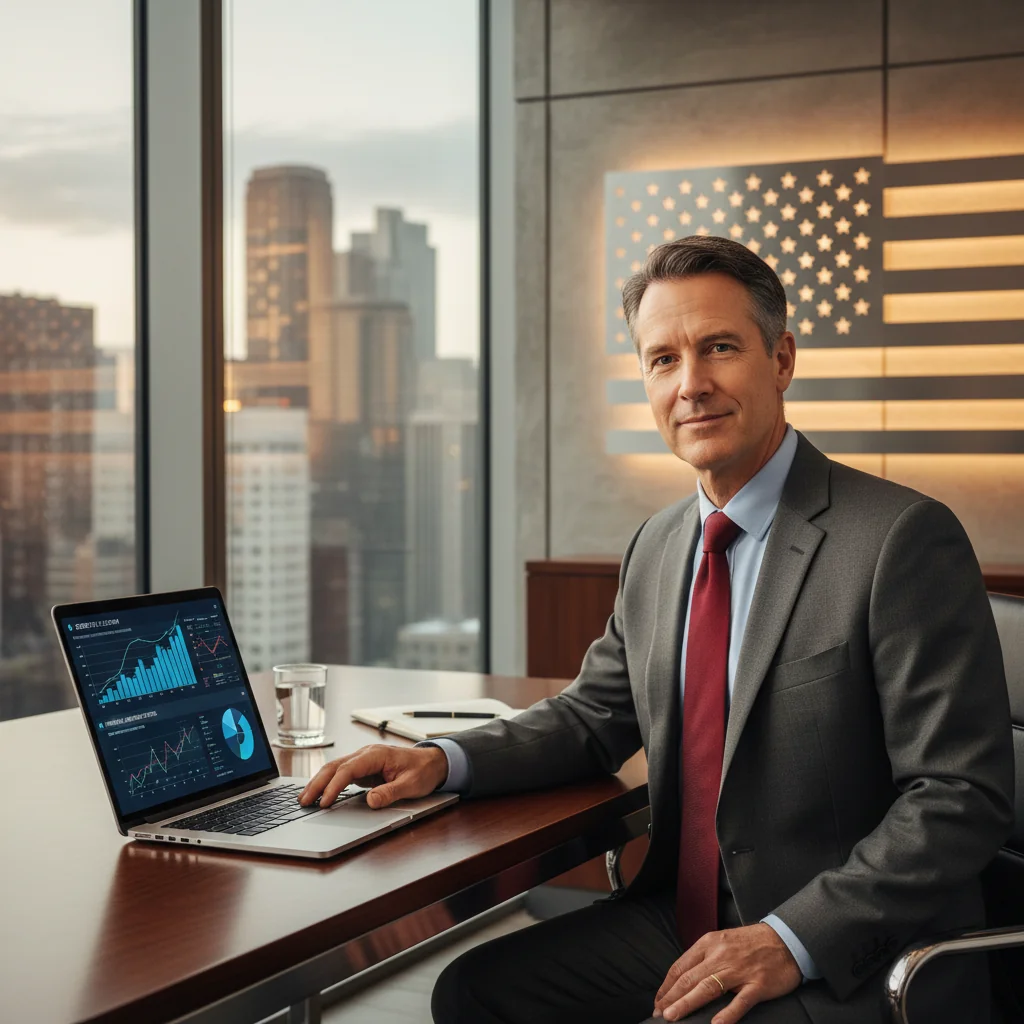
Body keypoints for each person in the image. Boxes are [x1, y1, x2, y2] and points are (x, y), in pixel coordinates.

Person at [299, 236, 1014, 1024]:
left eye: (718, 348)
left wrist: (788, 936)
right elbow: (591, 718)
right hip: (684, 921)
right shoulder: (661, 545)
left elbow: (959, 797)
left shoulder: (899, 540)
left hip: (849, 955)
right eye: (662, 359)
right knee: (473, 994)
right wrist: (443, 760)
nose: (692, 385)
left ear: (781, 360)